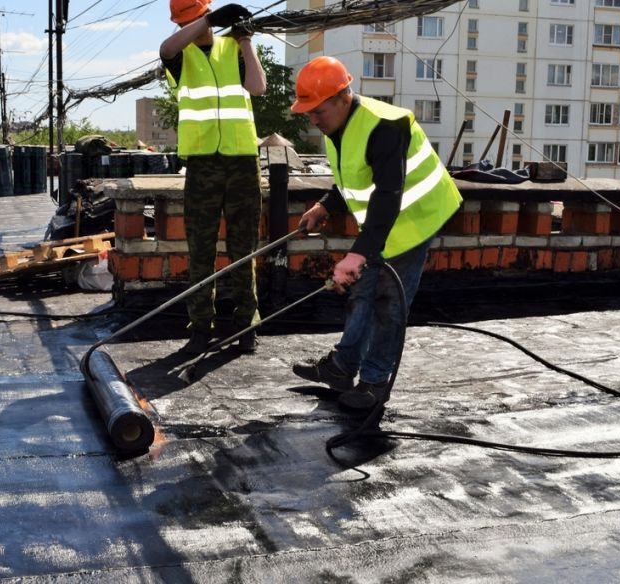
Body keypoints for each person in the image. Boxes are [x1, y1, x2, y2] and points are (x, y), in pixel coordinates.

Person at [290, 56, 463, 409]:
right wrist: (325, 206)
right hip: (384, 222)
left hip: (416, 217)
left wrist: (357, 254)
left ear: (342, 98)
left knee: (388, 302)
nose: (311, 119)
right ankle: (342, 367)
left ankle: (374, 383)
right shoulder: (337, 125)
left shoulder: (385, 126)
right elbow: (355, 175)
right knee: (362, 293)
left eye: (317, 111)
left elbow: (387, 193)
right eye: (307, 111)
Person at [160, 0, 266, 355]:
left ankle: (246, 324)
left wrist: (246, 39)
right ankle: (201, 327)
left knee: (243, 249)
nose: (197, 25)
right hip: (203, 163)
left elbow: (257, 87)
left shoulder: (232, 48)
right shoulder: (181, 54)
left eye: (199, 17)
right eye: (189, 20)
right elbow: (166, 48)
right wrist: (207, 20)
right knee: (201, 250)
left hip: (241, 162)